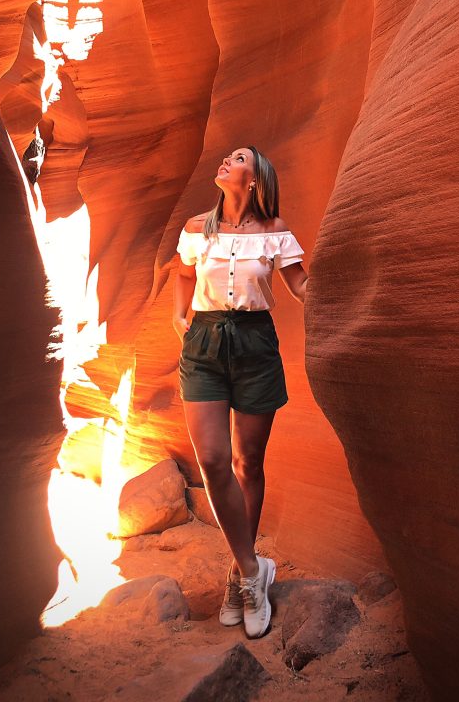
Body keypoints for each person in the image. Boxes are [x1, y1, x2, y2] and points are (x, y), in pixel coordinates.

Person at [173, 146, 308, 638]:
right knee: (212, 459)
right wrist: (177, 315)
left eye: (238, 158)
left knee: (248, 462)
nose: (227, 162)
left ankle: (239, 576)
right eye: (227, 157)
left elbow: (300, 286)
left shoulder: (275, 231)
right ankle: (253, 570)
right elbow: (184, 274)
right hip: (205, 342)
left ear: (254, 179)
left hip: (255, 343)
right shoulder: (195, 227)